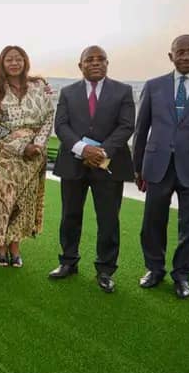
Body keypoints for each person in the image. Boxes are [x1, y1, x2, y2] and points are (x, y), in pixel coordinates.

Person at [133, 34, 189, 299]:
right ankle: (154, 269)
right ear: (170, 56)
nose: (186, 56)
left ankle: (182, 275)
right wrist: (138, 168)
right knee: (152, 222)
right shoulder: (153, 86)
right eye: (180, 52)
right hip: (157, 166)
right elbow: (141, 131)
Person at [49, 45, 135, 293]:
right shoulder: (68, 92)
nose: (95, 63)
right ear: (81, 65)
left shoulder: (123, 91)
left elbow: (126, 126)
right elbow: (61, 125)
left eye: (101, 59)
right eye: (90, 60)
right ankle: (68, 262)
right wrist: (82, 149)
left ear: (107, 63)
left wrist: (101, 151)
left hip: (108, 165)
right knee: (70, 215)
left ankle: (105, 270)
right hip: (73, 163)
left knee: (108, 219)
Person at [0, 46, 55, 267]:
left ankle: (15, 247)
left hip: (33, 157)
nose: (14, 63)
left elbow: (49, 116)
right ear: (2, 63)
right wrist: (22, 146)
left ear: (25, 62)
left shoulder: (39, 87)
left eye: (18, 59)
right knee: (5, 201)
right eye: (9, 60)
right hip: (6, 156)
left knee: (24, 202)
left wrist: (37, 145)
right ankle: (1, 246)